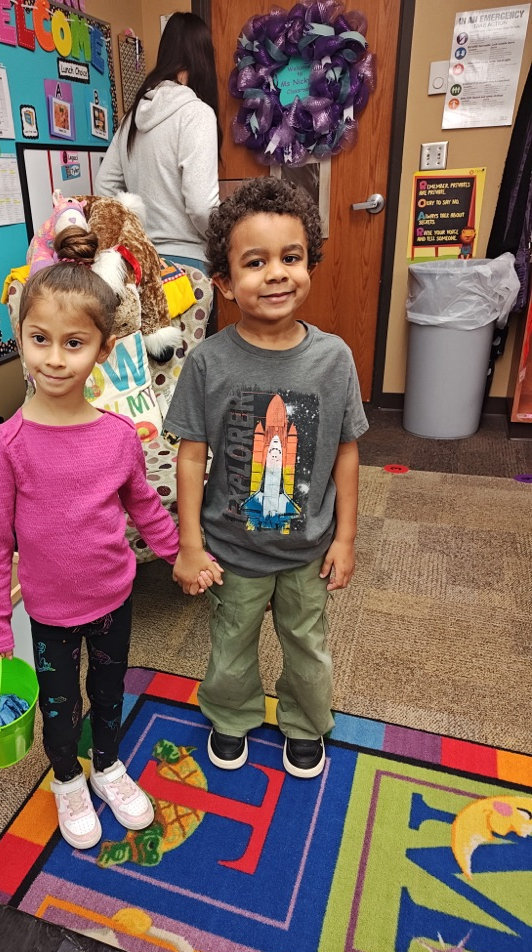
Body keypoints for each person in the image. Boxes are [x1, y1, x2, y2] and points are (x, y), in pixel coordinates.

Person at [0, 226, 221, 850]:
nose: (54, 358)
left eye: (74, 343)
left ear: (103, 351)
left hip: (114, 599)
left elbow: (145, 508)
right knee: (58, 708)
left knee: (108, 694)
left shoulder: (118, 438)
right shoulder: (6, 445)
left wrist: (181, 556)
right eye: (40, 340)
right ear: (22, 338)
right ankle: (66, 779)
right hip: (49, 611)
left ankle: (107, 764)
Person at [163, 177, 369, 779]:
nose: (276, 273)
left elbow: (346, 454)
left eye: (291, 257)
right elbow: (192, 457)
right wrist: (191, 544)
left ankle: (306, 724)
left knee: (307, 648)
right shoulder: (207, 362)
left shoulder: (334, 359)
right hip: (232, 550)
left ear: (311, 263)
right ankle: (232, 717)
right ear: (224, 283)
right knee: (230, 646)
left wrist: (347, 538)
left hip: (308, 548)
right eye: (255, 263)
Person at [94, 12, 220, 275]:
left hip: (139, 262)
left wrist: (135, 232)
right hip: (188, 266)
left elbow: (104, 186)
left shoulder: (132, 118)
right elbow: (200, 207)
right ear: (203, 58)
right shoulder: (196, 113)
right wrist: (224, 241)